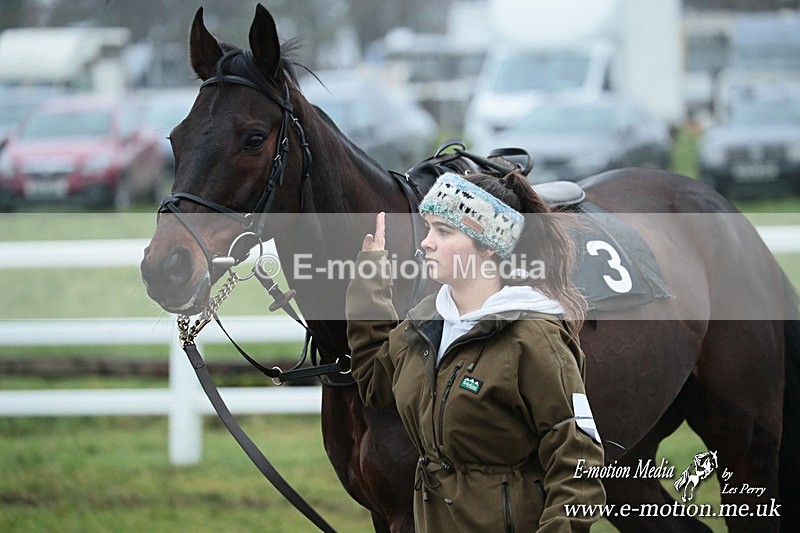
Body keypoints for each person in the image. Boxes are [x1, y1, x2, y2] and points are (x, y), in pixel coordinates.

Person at [345, 171, 606, 532]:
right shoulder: (425, 325)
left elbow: (578, 463)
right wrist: (369, 283)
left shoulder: (535, 338)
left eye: (444, 231)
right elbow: (376, 382)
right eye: (428, 228)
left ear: (487, 247)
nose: (426, 243)